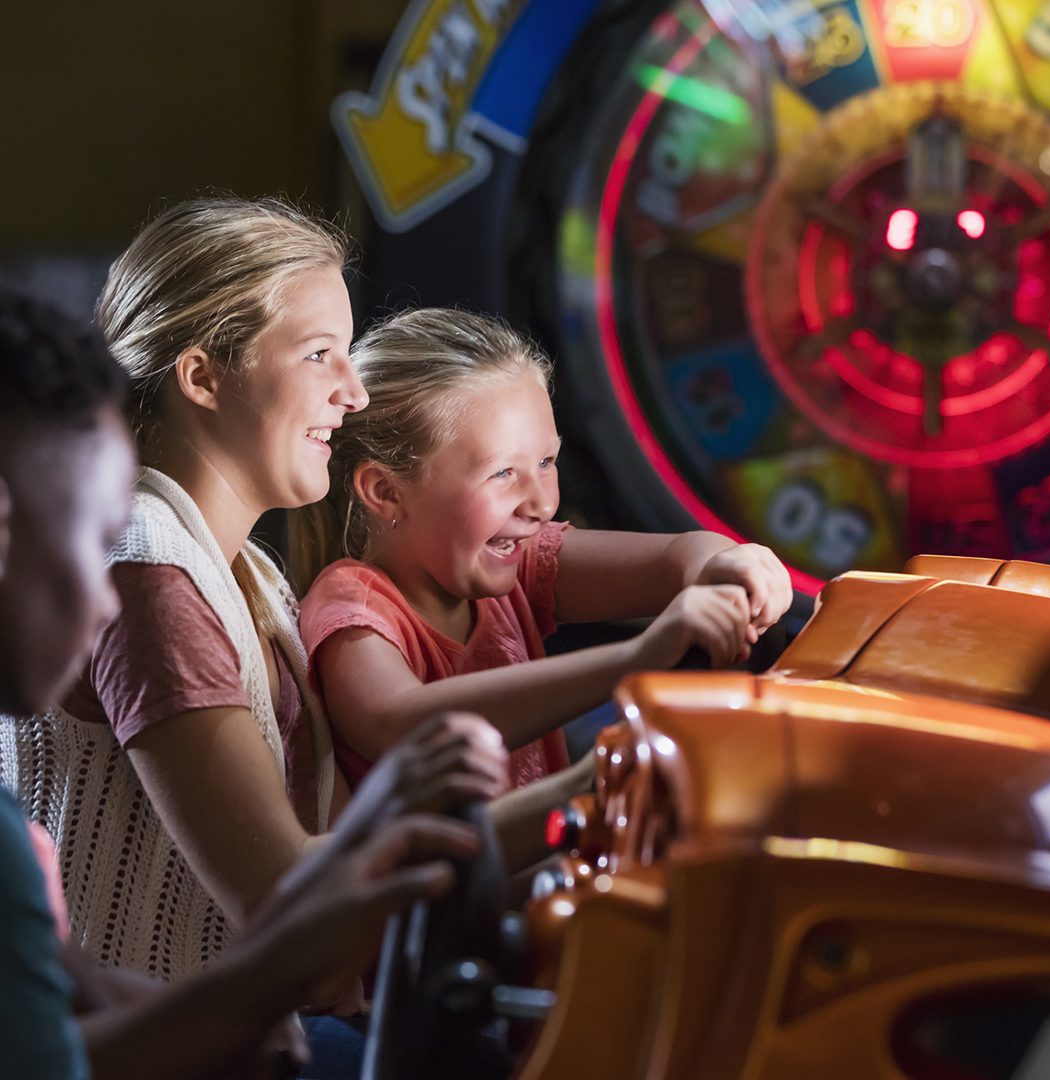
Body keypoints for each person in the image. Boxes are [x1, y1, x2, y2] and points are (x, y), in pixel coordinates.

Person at [0, 199, 509, 989]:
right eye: (319, 355)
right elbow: (280, 892)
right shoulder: (149, 568)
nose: (356, 392)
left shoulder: (249, 576)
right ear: (203, 376)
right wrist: (587, 790)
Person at [291, 307, 792, 858]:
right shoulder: (353, 605)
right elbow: (403, 724)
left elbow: (681, 555)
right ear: (386, 492)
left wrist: (731, 568)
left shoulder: (517, 564)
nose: (542, 503)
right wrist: (638, 657)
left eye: (547, 461)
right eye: (503, 474)